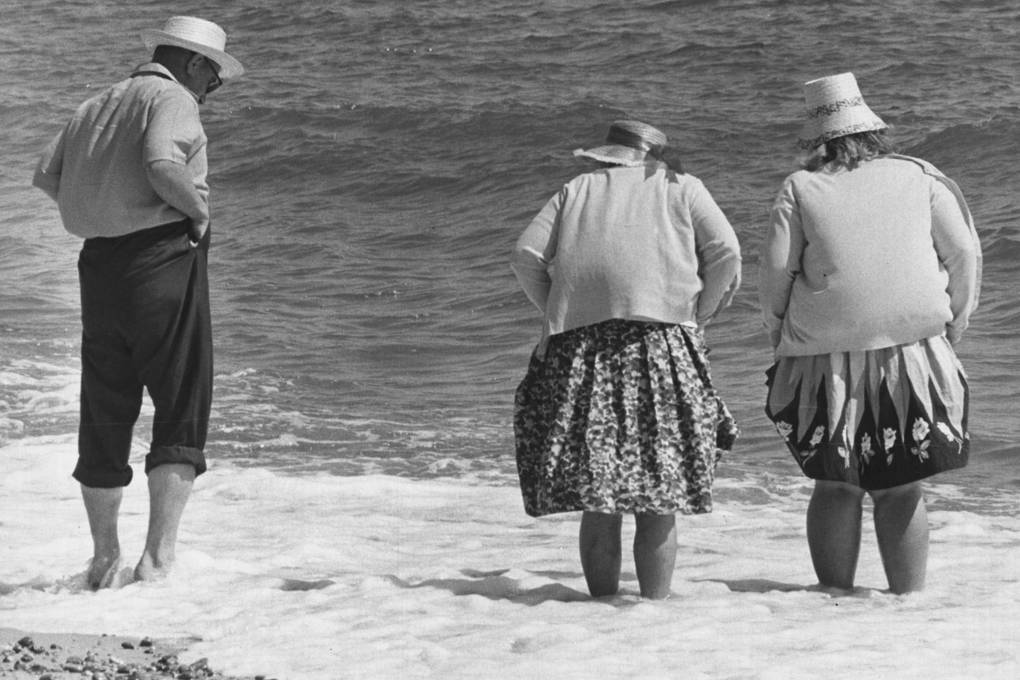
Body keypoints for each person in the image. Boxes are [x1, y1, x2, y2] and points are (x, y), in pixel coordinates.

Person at [31, 16, 244, 589]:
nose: (210, 90)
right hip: (161, 259)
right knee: (181, 397)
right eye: (213, 78)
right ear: (194, 62)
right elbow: (160, 161)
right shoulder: (172, 96)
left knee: (105, 399)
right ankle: (155, 562)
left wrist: (102, 208)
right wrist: (196, 211)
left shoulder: (96, 103)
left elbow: (47, 175)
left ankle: (103, 558)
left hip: (98, 266)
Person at [760, 72, 981, 594]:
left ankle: (834, 605)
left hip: (824, 353)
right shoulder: (922, 175)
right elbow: (965, 253)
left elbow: (776, 273)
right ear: (872, 127)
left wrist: (779, 335)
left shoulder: (800, 186)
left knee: (834, 486)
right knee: (901, 489)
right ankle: (905, 609)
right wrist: (955, 323)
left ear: (818, 136)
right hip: (914, 348)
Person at [511, 120, 742, 599]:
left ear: (606, 156)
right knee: (660, 492)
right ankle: (652, 612)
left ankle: (602, 611)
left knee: (600, 496)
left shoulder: (576, 189)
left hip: (582, 349)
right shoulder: (682, 186)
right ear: (654, 158)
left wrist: (560, 306)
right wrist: (701, 313)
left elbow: (526, 255)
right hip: (664, 343)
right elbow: (726, 252)